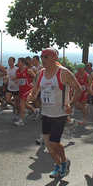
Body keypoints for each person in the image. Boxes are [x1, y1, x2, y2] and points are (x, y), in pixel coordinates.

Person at [28, 48, 81, 178]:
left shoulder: (63, 73)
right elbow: (34, 91)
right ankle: (58, 165)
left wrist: (70, 104)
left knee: (53, 143)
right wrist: (31, 96)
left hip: (60, 113)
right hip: (46, 113)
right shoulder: (40, 74)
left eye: (46, 56)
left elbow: (78, 89)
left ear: (54, 58)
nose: (43, 59)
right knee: (48, 145)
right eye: (42, 56)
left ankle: (64, 160)